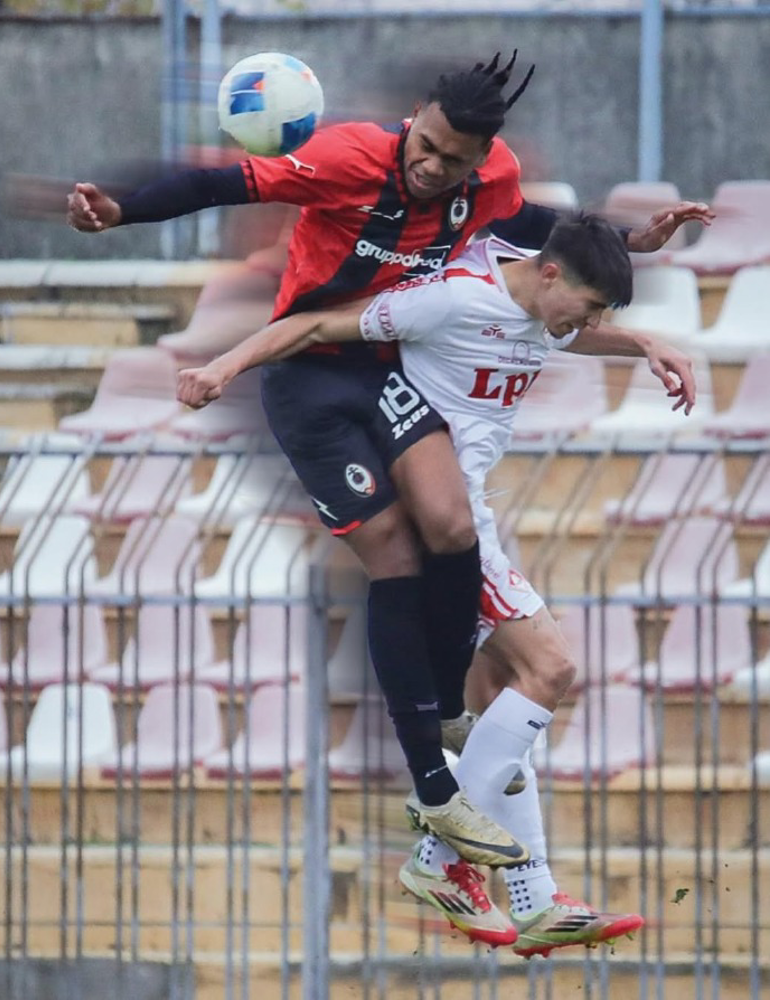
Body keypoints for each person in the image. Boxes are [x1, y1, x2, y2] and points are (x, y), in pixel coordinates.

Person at [66, 51, 711, 871]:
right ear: (416, 121)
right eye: (427, 146)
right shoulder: (348, 158)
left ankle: (452, 720)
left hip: (384, 369)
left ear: (482, 159)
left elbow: (531, 230)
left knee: (451, 523)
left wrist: (631, 242)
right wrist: (121, 211)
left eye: (454, 161)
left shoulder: (490, 182)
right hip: (307, 372)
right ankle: (436, 791)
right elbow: (223, 183)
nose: (433, 167)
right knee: (396, 554)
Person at [174, 212, 695, 953]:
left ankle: (535, 898)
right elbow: (316, 326)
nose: (590, 323)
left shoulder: (539, 303)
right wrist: (223, 368)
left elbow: (565, 332)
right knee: (550, 668)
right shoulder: (451, 299)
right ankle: (439, 860)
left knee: (500, 705)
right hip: (444, 523)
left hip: (470, 512)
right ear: (551, 275)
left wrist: (644, 343)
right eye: (588, 307)